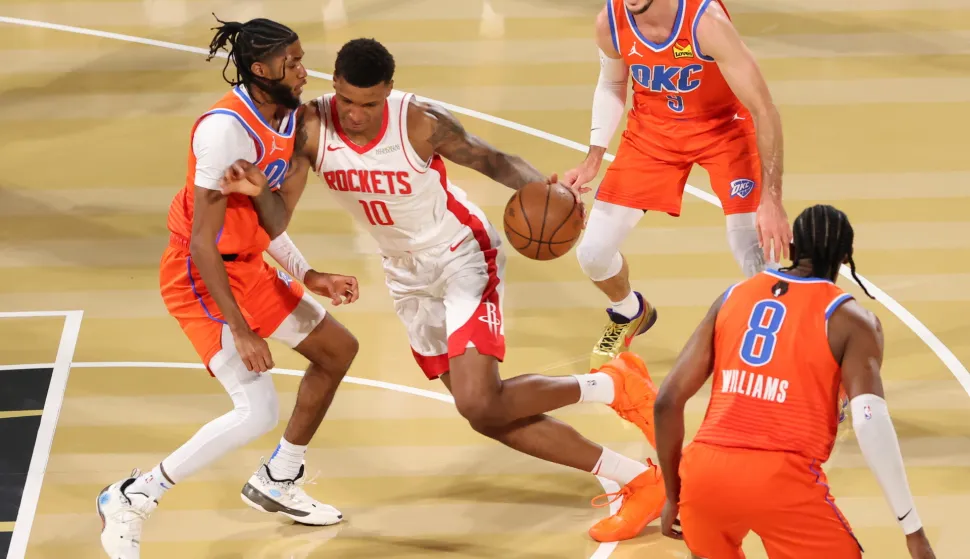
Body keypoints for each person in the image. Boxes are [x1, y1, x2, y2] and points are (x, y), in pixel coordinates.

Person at [221, 37, 663, 543]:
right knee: (488, 414)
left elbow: (492, 160)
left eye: (369, 104)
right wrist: (259, 193)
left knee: (477, 401)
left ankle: (612, 392)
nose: (357, 114)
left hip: (462, 255)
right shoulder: (313, 127)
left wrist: (546, 191)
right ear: (335, 86)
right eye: (347, 101)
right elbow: (279, 216)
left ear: (389, 91)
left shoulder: (419, 121)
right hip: (405, 276)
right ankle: (634, 473)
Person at [96, 17, 361, 558]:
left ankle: (279, 478)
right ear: (261, 71)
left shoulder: (290, 119)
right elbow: (201, 243)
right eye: (292, 63)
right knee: (256, 410)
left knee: (337, 350)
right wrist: (241, 331)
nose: (303, 71)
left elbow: (268, 223)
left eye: (301, 58)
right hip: (202, 275)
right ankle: (133, 496)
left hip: (250, 265)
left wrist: (306, 274)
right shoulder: (224, 131)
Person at [653, 204, 936, 558]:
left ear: (790, 248)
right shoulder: (854, 321)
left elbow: (666, 401)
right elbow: (869, 422)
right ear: (846, 257)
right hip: (783, 480)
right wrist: (913, 531)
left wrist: (674, 495)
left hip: (705, 474)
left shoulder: (732, 296)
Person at [561, 0, 792, 371]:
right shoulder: (610, 22)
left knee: (755, 253)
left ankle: (810, 364)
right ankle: (629, 312)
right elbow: (613, 81)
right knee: (592, 253)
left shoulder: (707, 23)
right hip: (652, 133)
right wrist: (592, 159)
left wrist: (772, 198)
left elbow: (764, 108)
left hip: (725, 130)